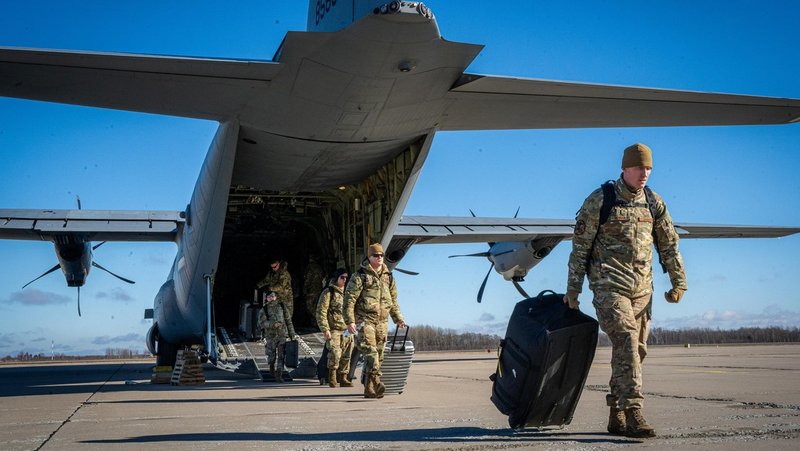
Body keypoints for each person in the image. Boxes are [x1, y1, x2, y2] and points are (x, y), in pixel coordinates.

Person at [564, 143, 687, 438]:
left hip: (643, 288)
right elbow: (580, 248)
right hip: (609, 287)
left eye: (648, 168)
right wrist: (573, 290)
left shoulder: (654, 203)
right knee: (628, 343)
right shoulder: (600, 200)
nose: (644, 173)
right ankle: (634, 412)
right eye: (639, 168)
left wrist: (678, 281)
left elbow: (669, 244)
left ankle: (615, 411)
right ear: (625, 169)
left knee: (635, 351)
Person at [344, 243, 406, 399]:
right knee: (371, 353)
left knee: (379, 355)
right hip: (365, 321)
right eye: (376, 256)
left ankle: (369, 389)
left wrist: (398, 319)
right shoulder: (360, 276)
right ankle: (378, 382)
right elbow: (349, 300)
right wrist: (350, 321)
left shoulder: (389, 276)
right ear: (369, 257)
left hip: (382, 323)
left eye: (381, 255)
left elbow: (393, 300)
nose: (379, 258)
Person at [316, 268, 355, 388]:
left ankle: (343, 377)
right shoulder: (329, 292)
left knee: (347, 354)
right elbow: (321, 312)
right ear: (336, 278)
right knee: (335, 353)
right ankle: (331, 376)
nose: (344, 280)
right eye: (342, 277)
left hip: (347, 330)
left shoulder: (349, 294)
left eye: (346, 278)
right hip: (334, 329)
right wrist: (325, 329)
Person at [258, 291, 298, 383]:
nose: (271, 298)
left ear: (276, 297)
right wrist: (272, 324)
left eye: (273, 296)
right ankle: (271, 367)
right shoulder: (264, 309)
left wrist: (292, 334)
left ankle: (279, 375)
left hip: (282, 335)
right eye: (269, 297)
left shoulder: (282, 307)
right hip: (270, 336)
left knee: (281, 356)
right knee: (272, 356)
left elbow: (288, 321)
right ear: (266, 298)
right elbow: (261, 324)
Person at [303, 255, 326, 323]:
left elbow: (307, 279)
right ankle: (316, 321)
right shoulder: (320, 267)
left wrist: (305, 288)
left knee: (310, 305)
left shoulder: (310, 268)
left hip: (311, 290)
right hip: (319, 289)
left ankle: (316, 320)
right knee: (317, 305)